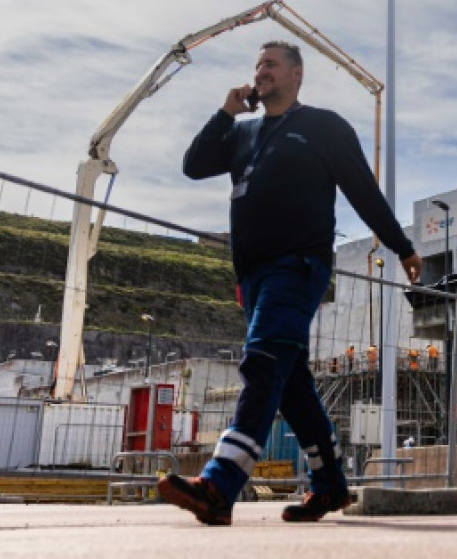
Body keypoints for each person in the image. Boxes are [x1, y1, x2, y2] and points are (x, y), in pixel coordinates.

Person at [160, 40, 421, 526]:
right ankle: (331, 487)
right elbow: (193, 166)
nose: (261, 72)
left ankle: (220, 484)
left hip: (298, 264)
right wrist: (224, 113)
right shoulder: (242, 132)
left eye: (272, 65)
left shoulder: (323, 127)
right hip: (253, 275)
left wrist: (400, 245)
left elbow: (362, 189)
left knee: (262, 362)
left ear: (297, 75)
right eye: (257, 64)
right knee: (290, 383)